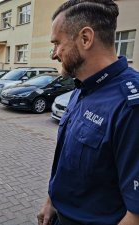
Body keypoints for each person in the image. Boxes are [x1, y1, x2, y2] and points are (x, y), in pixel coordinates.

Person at [38, 1, 139, 225]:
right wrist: (51, 200)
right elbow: (66, 159)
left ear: (85, 38)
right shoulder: (81, 89)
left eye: (57, 43)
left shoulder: (131, 105)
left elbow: (136, 215)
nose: (54, 54)